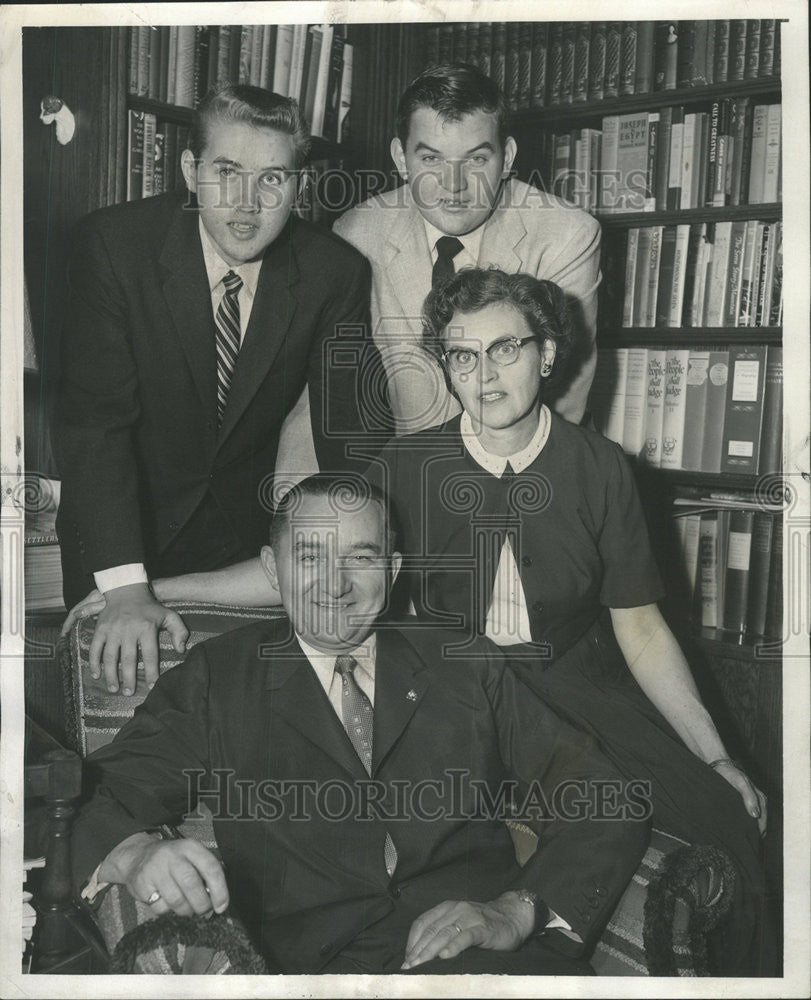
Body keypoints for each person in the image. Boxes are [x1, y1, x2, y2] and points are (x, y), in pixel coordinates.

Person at [70, 268, 771, 973]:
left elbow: (640, 625)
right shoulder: (405, 467)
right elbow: (318, 557)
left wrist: (710, 754)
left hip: (567, 692)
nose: (486, 376)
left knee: (726, 823)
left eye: (506, 350)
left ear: (547, 355)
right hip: (447, 689)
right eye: (463, 356)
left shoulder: (600, 469)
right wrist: (144, 587)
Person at [72, 474, 647, 975]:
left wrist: (518, 909)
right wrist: (136, 854)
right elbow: (93, 797)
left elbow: (601, 794)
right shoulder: (219, 675)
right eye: (310, 556)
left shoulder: (467, 662)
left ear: (393, 570)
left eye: (363, 557)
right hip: (307, 970)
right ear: (273, 569)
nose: (336, 583)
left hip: (482, 965)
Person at [54, 85, 389, 692]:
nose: (247, 204)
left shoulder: (334, 273)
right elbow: (94, 427)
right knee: (128, 732)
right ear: (190, 170)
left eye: (273, 179)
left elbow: (355, 444)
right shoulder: (113, 246)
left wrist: (362, 570)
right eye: (227, 172)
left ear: (298, 184)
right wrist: (127, 589)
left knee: (251, 729)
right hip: (119, 538)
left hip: (243, 553)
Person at [331, 62, 602, 434]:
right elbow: (339, 391)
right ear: (400, 159)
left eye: (476, 159)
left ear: (506, 158)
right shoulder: (356, 233)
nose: (454, 185)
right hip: (397, 469)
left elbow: (565, 393)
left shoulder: (566, 233)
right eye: (431, 159)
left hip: (525, 467)